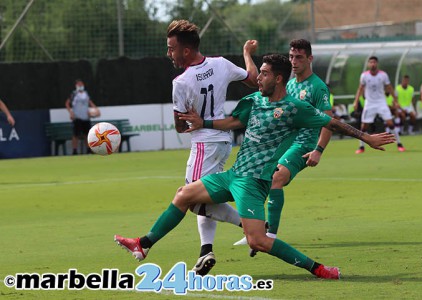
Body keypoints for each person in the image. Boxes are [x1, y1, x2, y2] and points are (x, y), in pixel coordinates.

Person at [114, 54, 396, 280]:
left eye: (263, 73)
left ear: (278, 78)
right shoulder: (253, 100)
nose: (257, 77)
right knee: (183, 195)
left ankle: (318, 269)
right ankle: (144, 243)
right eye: (259, 72)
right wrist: (204, 123)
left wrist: (366, 137)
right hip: (234, 175)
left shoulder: (294, 108)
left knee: (257, 241)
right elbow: (234, 122)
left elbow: (330, 122)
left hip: (254, 182)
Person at [166, 20, 259, 276]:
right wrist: (246, 54)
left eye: (171, 48)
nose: (169, 54)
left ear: (186, 51)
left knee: (191, 199)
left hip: (204, 143)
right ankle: (205, 251)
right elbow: (253, 79)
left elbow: (179, 126)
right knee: (204, 195)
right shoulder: (221, 64)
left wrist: (187, 121)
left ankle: (251, 225)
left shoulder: (181, 81)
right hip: (222, 141)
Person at [233, 39, 334, 252]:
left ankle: (270, 235)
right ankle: (256, 230)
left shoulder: (318, 87)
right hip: (283, 143)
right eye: (291, 57)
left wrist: (318, 150)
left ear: (310, 59)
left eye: (299, 57)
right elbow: (254, 79)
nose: (294, 61)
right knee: (259, 177)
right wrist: (247, 54)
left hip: (304, 144)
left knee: (276, 178)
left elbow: (328, 121)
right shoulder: (286, 84)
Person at [353, 56, 404, 154]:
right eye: (371, 62)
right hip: (369, 103)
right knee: (364, 127)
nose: (373, 64)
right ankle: (361, 147)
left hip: (381, 103)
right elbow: (360, 88)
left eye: (374, 62)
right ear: (368, 64)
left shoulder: (383, 75)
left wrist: (396, 100)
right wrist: (356, 101)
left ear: (377, 64)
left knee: (390, 123)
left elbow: (389, 87)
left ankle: (399, 144)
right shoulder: (364, 76)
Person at [65, 79, 99, 155]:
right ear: (76, 86)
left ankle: (88, 149)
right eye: (79, 85)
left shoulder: (86, 94)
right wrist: (71, 113)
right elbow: (67, 103)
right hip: (77, 117)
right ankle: (74, 150)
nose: (81, 86)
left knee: (87, 134)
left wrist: (96, 109)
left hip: (86, 117)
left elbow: (90, 102)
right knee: (76, 134)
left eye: (81, 84)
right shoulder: (74, 94)